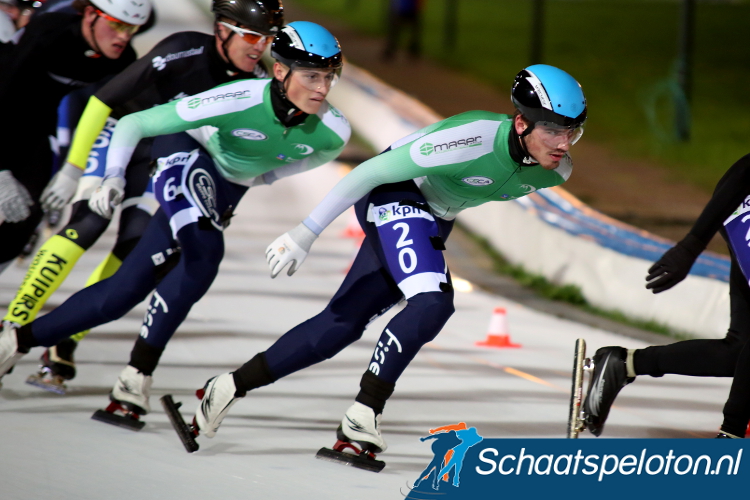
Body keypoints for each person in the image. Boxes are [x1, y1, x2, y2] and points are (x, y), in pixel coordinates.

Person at [180, 65, 587, 459]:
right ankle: (364, 412)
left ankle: (228, 387)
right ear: (521, 124)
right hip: (395, 192)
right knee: (432, 302)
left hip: (433, 219)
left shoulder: (555, 171)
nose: (562, 143)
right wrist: (305, 232)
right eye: (552, 129)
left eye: (571, 131)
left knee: (340, 325)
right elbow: (369, 172)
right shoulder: (473, 137)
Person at [0, 21, 351, 428]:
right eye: (311, 76)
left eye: (329, 77)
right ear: (279, 71)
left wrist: (240, 188)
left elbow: (278, 169)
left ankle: (16, 341)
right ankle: (139, 373)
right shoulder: (236, 97)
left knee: (124, 292)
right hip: (187, 150)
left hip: (226, 184)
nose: (322, 89)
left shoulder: (333, 132)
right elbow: (135, 124)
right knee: (204, 253)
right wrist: (111, 174)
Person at [581, 154, 750, 438]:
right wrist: (691, 245)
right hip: (741, 203)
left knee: (740, 351)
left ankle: (623, 364)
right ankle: (730, 436)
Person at [0, 0, 150, 273]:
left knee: (29, 213)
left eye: (132, 28)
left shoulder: (123, 58)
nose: (124, 37)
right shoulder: (48, 35)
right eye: (117, 25)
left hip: (35, 130)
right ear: (91, 14)